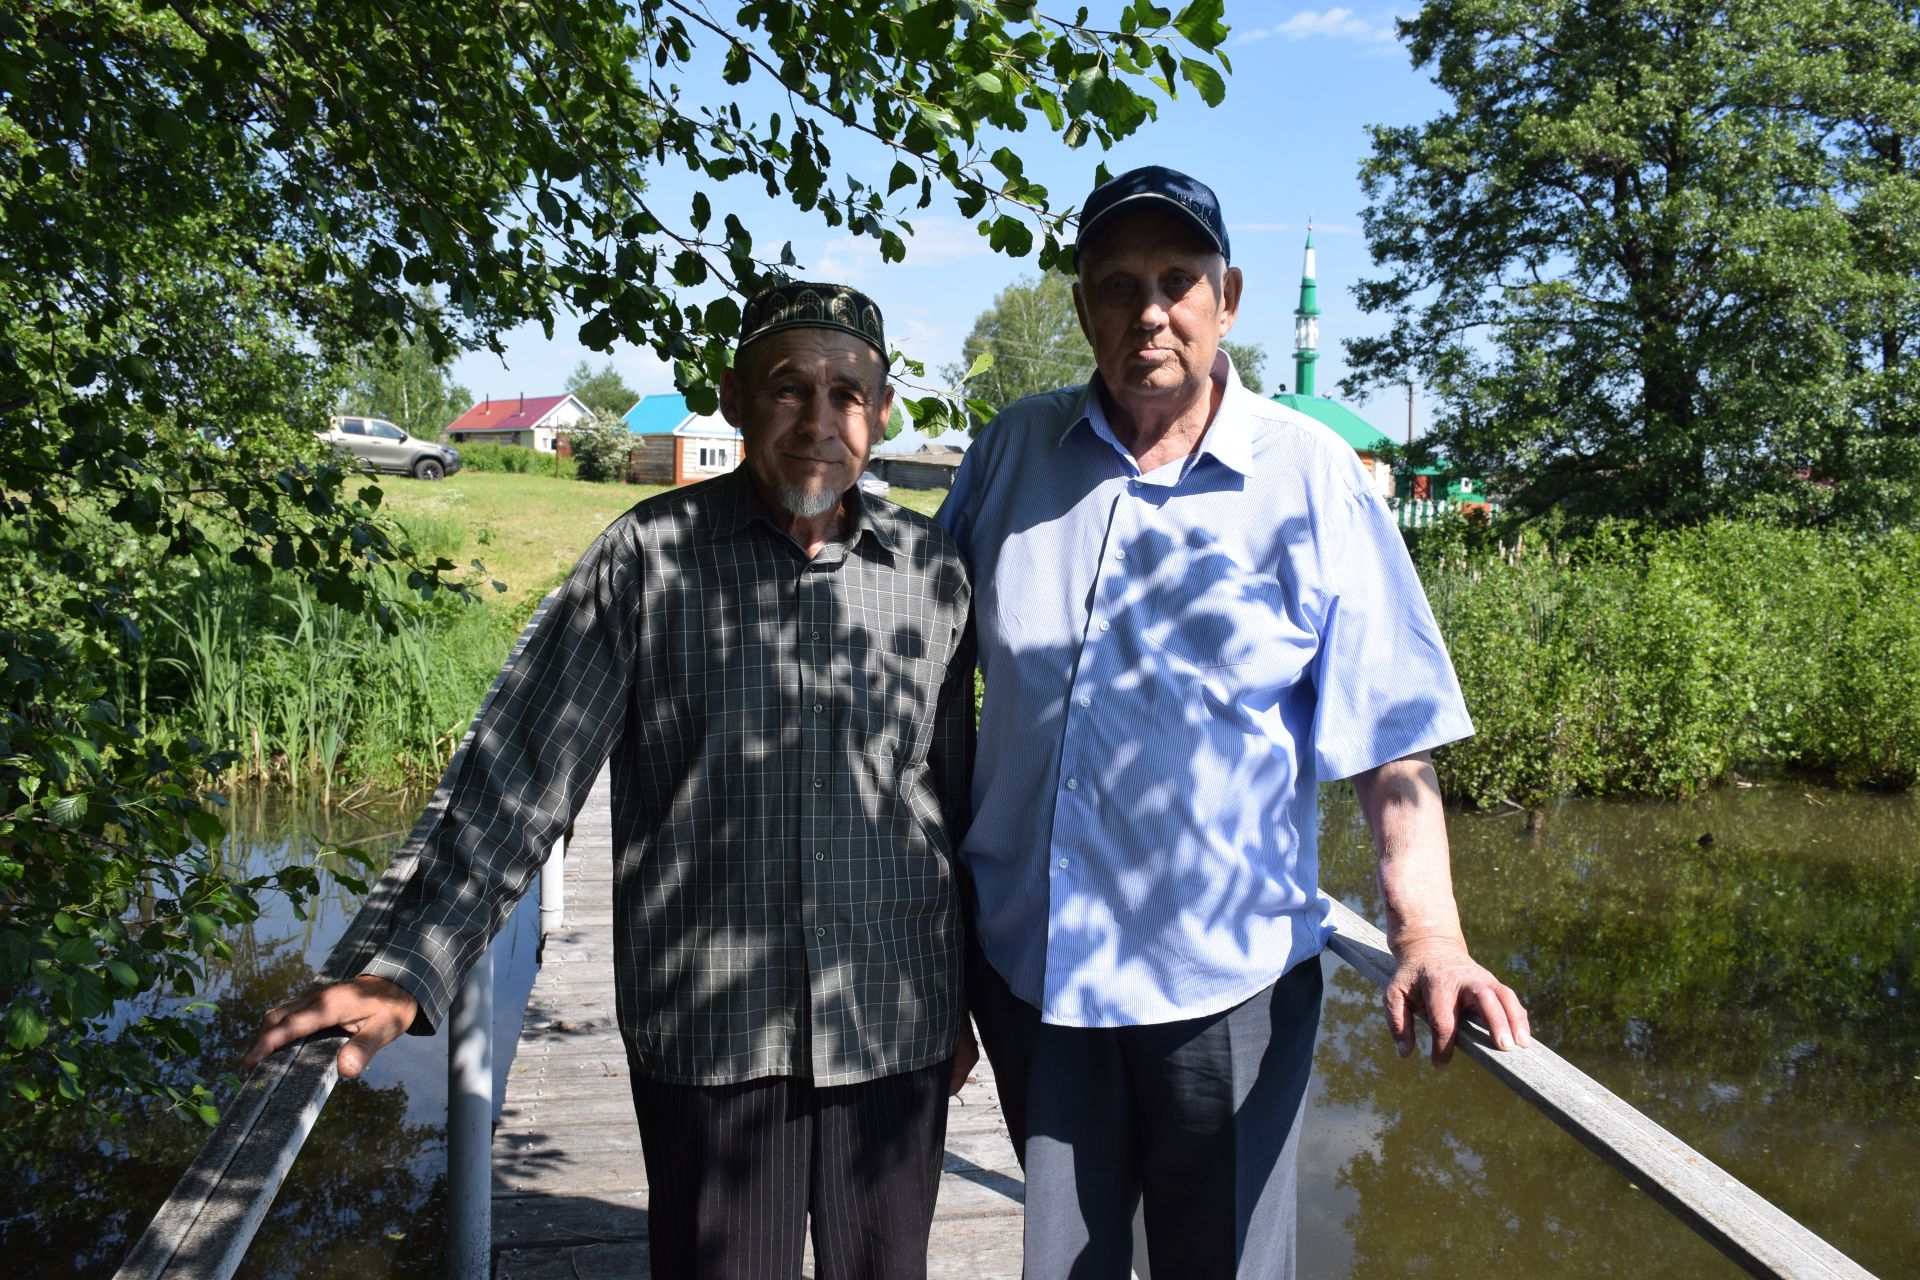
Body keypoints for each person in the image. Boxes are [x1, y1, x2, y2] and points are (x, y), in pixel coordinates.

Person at [245, 282, 980, 1280]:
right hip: (717, 1026)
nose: (819, 421)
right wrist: (406, 966)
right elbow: (520, 774)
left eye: (847, 392)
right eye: (787, 387)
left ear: (882, 409)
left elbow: (955, 801)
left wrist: (966, 1000)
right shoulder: (647, 559)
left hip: (893, 1019)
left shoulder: (934, 574)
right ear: (732, 396)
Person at [936, 166, 1532, 1279]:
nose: (1147, 311)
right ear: (1081, 308)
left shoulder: (1312, 479)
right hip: (1032, 966)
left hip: (1223, 987)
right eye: (1116, 285)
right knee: (1065, 1262)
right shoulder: (1009, 456)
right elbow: (921, 678)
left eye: (1176, 279)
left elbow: (1390, 731)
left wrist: (1428, 934)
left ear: (1229, 298)